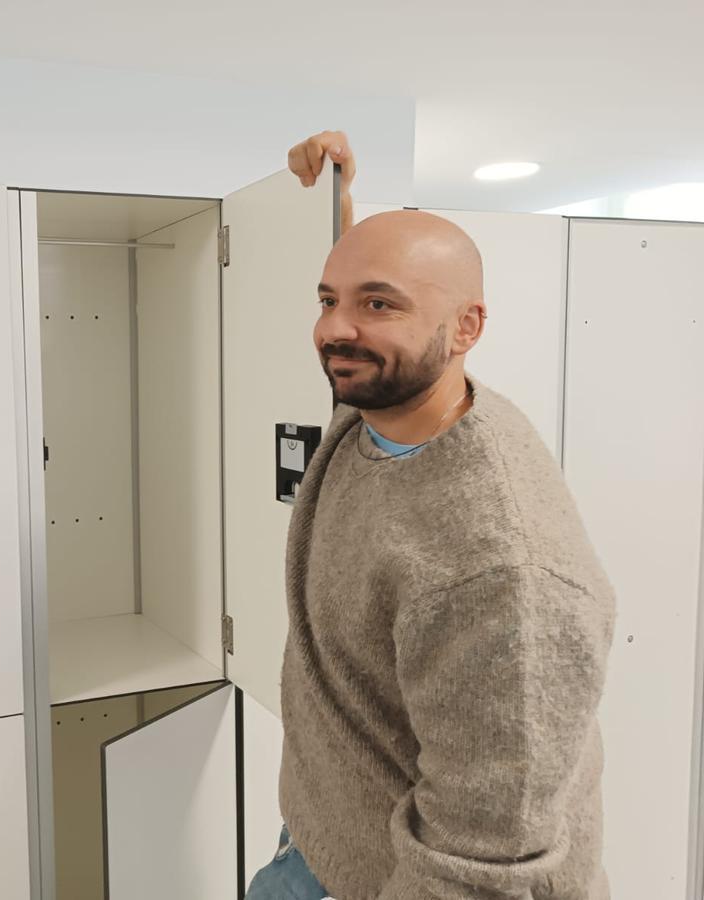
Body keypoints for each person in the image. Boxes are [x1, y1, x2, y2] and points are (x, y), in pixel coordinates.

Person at [245, 131, 617, 899]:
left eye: (378, 303)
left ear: (467, 330)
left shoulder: (502, 569)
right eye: (328, 299)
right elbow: (363, 322)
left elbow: (487, 859)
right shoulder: (383, 403)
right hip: (324, 833)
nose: (335, 329)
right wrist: (332, 202)